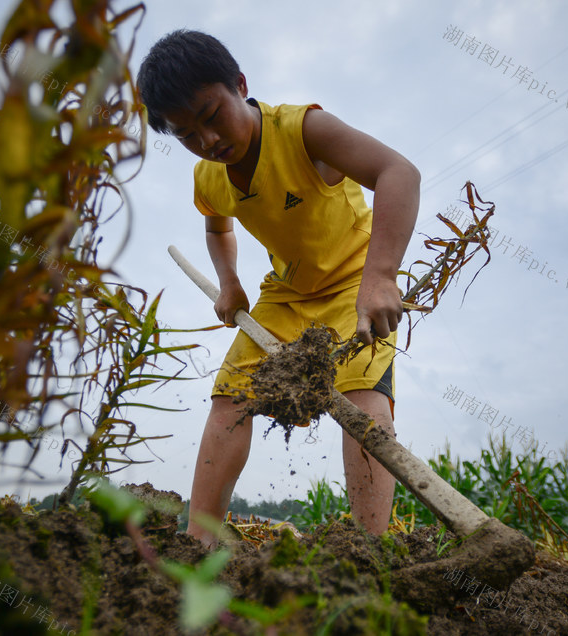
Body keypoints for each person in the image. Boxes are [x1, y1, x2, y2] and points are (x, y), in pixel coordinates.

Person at [137, 29, 420, 549]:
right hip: (286, 296)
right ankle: (201, 543)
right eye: (186, 134)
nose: (207, 141)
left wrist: (381, 276)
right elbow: (217, 225)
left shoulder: (304, 130)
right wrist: (230, 284)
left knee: (361, 402)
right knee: (229, 398)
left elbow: (397, 171)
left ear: (239, 84)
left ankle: (370, 552)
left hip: (354, 281)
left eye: (211, 115)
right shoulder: (209, 177)